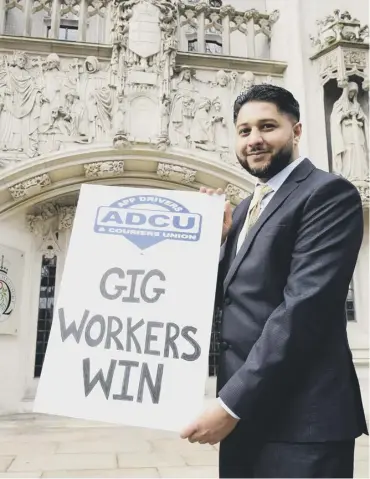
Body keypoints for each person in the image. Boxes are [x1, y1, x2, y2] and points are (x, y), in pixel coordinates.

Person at [180, 84, 368, 478]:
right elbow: (232, 301)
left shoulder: (328, 194)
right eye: (244, 130)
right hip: (248, 420)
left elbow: (304, 310)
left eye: (268, 126)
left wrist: (229, 404)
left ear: (296, 131)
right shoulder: (247, 206)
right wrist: (214, 245)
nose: (255, 140)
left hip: (303, 424)